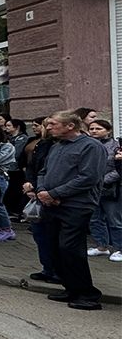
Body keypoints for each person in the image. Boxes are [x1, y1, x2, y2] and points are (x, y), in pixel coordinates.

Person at [34, 110, 107, 310]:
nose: (48, 128)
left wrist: (56, 193)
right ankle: (71, 288)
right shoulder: (57, 146)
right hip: (51, 204)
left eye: (53, 124)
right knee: (54, 247)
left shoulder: (91, 147)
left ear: (70, 126)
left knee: (70, 248)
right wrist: (42, 191)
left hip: (76, 206)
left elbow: (88, 178)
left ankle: (87, 294)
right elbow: (43, 171)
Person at [23, 118, 60, 283]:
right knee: (40, 234)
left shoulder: (58, 146)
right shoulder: (40, 144)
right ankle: (47, 268)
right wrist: (28, 184)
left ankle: (58, 271)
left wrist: (40, 189)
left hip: (51, 194)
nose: (49, 128)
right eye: (47, 126)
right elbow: (32, 166)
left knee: (54, 236)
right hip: (36, 191)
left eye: (51, 125)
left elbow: (53, 171)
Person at [85, 119, 121, 261]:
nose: (94, 131)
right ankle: (101, 246)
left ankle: (119, 248)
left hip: (110, 189)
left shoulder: (116, 147)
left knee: (115, 220)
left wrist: (102, 181)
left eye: (98, 128)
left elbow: (118, 170)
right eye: (92, 128)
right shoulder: (88, 145)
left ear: (108, 130)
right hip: (91, 189)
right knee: (95, 219)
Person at [4, 118, 31, 218]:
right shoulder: (10, 138)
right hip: (9, 168)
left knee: (15, 190)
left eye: (9, 126)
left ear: (17, 127)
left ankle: (16, 210)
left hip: (16, 168)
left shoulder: (22, 139)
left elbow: (16, 153)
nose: (6, 128)